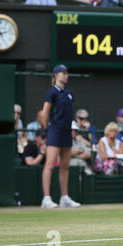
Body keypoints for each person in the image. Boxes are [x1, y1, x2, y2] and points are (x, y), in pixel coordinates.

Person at [37, 64, 80, 209]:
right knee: (49, 165)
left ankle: (64, 197)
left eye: (66, 73)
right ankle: (46, 198)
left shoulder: (69, 92)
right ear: (55, 76)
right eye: (62, 73)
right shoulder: (51, 93)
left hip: (67, 132)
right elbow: (45, 113)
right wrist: (46, 129)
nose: (65, 75)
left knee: (65, 166)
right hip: (54, 131)